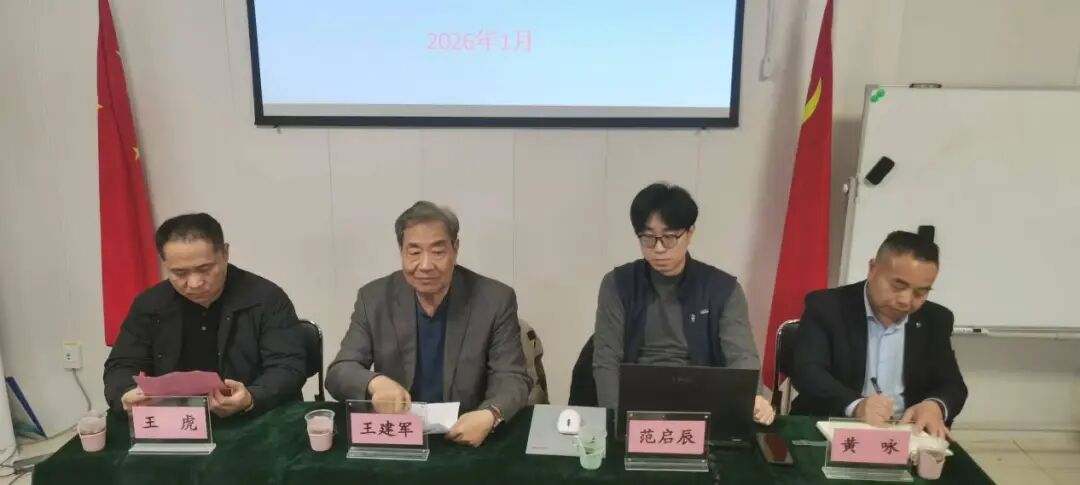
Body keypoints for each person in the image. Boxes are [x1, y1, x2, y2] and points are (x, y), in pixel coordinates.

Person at [326, 201, 530, 447]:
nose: (425, 265)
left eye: (437, 252)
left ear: (455, 249)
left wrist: (490, 414)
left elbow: (511, 376)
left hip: (467, 433)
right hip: (400, 434)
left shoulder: (494, 300)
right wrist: (375, 383)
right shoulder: (374, 299)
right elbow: (340, 371)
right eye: (414, 252)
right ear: (401, 251)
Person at [592, 183, 775, 425]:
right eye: (648, 238)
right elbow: (606, 359)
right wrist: (617, 421)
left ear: (689, 234)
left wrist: (752, 396)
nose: (658, 249)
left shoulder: (722, 289)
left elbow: (741, 354)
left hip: (701, 402)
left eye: (669, 238)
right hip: (636, 401)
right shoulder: (618, 284)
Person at [103, 213, 307, 417]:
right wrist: (126, 393)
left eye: (205, 269)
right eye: (179, 273)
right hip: (175, 420)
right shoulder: (150, 304)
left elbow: (288, 366)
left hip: (254, 417)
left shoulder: (265, 299)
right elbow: (121, 365)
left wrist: (252, 397)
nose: (195, 283)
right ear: (164, 264)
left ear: (225, 253)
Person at [791, 231, 967, 438]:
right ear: (873, 269)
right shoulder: (827, 306)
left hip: (906, 434)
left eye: (920, 292)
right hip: (833, 428)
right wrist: (856, 405)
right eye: (898, 286)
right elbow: (807, 371)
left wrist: (935, 405)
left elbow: (952, 384)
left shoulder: (936, 319)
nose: (905, 300)